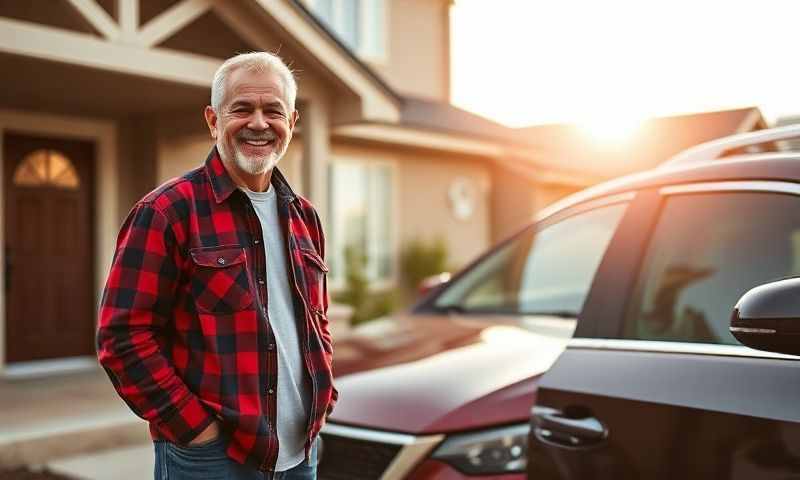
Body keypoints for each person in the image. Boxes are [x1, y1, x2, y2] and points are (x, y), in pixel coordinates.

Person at [97, 52, 336, 480]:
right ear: (213, 120)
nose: (259, 123)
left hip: (302, 455)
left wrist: (324, 397)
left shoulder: (305, 216)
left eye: (273, 111)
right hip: (213, 460)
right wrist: (196, 430)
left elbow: (314, 322)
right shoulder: (167, 211)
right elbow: (123, 337)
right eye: (241, 109)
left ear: (292, 122)